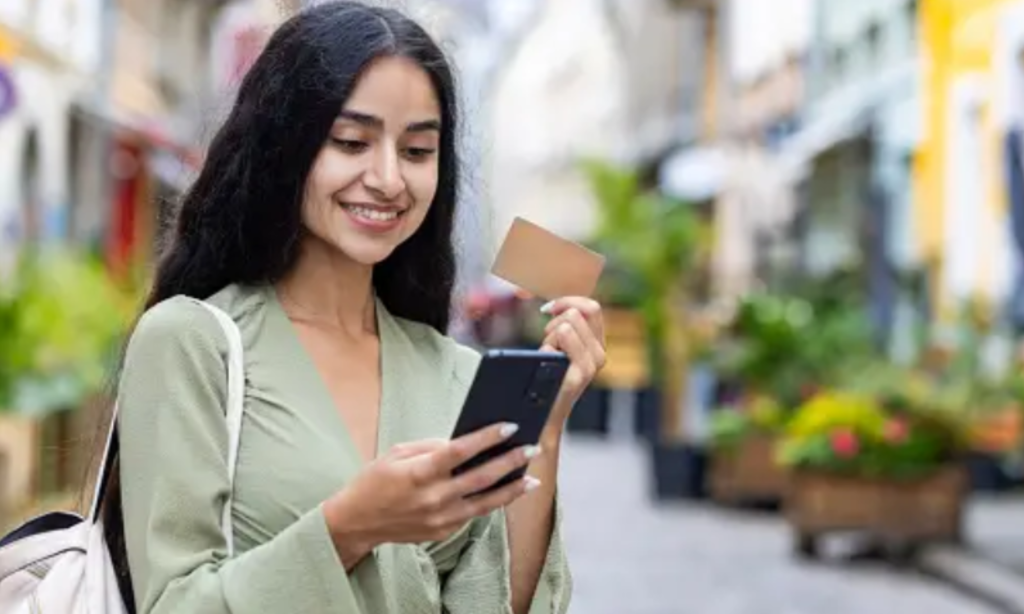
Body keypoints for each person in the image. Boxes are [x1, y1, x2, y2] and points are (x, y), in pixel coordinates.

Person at [104, 2, 606, 613]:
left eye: (418, 151)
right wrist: (350, 526)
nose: (389, 178)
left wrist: (545, 431)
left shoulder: (452, 372)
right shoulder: (192, 342)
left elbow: (495, 603)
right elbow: (174, 604)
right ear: (285, 146)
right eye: (351, 141)